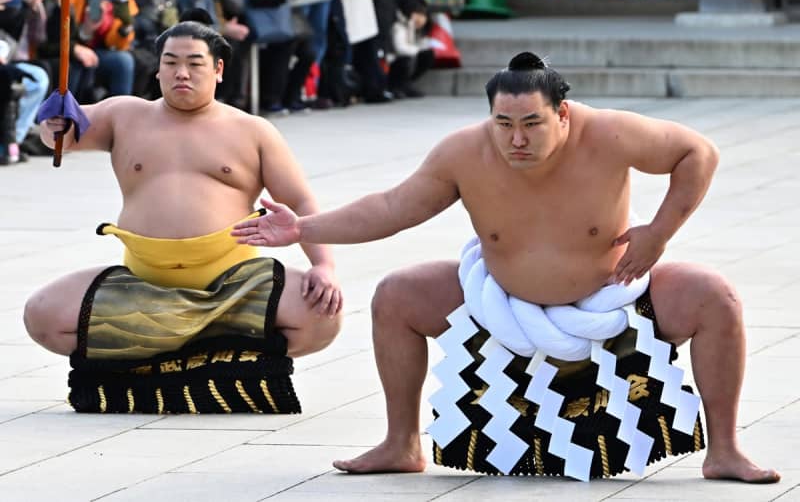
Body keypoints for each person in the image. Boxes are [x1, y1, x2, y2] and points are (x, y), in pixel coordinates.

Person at [231, 52, 781, 483]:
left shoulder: (610, 134)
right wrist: (304, 229)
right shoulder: (464, 153)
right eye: (504, 123)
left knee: (717, 297)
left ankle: (725, 450)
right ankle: (402, 443)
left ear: (562, 114)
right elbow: (392, 208)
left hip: (612, 293)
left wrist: (658, 233)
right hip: (501, 303)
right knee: (396, 295)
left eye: (532, 124)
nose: (516, 139)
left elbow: (699, 153)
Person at [25, 21, 342, 411]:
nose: (181, 72)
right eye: (170, 62)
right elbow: (66, 133)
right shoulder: (124, 114)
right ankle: (201, 350)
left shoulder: (253, 130)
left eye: (194, 63)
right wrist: (51, 123)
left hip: (233, 285)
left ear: (219, 70)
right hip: (143, 284)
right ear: (157, 69)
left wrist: (323, 265)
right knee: (42, 315)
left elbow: (301, 204)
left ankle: (167, 350)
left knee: (323, 316)